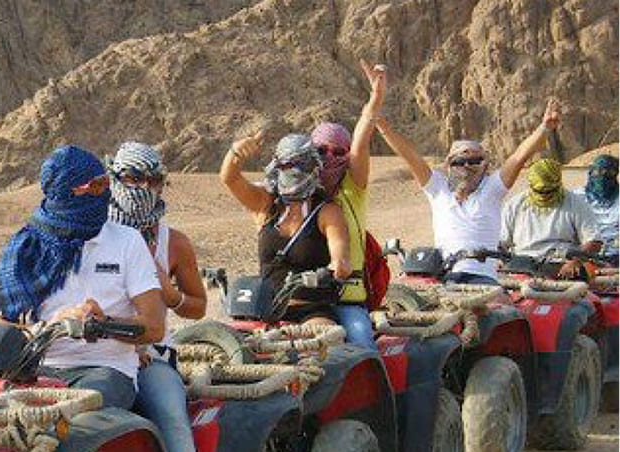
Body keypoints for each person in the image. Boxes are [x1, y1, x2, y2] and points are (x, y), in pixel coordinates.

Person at [106, 141, 232, 452]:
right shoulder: (94, 233)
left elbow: (197, 307)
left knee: (172, 416)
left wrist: (169, 292)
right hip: (99, 352)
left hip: (154, 355)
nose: (143, 187)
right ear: (114, 179)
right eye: (133, 178)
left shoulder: (172, 243)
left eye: (153, 180)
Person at [0, 144, 165, 409]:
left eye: (106, 183)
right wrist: (50, 326)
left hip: (106, 369)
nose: (105, 192)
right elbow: (3, 327)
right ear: (66, 194)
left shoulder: (127, 241)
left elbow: (154, 327)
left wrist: (103, 324)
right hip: (35, 370)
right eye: (96, 186)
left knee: (77, 415)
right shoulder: (25, 247)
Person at [374, 98, 562, 285]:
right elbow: (409, 156)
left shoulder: (492, 189)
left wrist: (544, 128)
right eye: (460, 162)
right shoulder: (438, 189)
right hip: (445, 277)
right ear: (449, 164)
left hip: (483, 279)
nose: (467, 167)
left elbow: (519, 157)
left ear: (484, 164)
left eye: (474, 162)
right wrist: (381, 124)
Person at [220, 132, 352, 325]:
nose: (293, 171)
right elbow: (230, 178)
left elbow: (340, 255)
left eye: (301, 164)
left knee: (323, 337)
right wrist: (236, 152)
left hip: (311, 310)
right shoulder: (266, 205)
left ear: (314, 166)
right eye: (286, 165)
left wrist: (338, 266)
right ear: (277, 166)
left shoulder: (327, 212)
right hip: (264, 309)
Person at [309, 59, 387, 348]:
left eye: (338, 152)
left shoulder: (352, 189)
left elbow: (361, 142)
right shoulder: (299, 193)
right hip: (306, 301)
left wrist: (375, 101)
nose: (329, 157)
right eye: (321, 150)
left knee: (362, 347)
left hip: (347, 299)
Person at [500, 157, 600, 278]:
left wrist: (576, 261)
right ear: (530, 185)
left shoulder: (576, 203)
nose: (544, 195)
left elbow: (594, 241)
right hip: (523, 263)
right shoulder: (514, 205)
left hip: (561, 263)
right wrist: (501, 261)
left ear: (558, 184)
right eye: (539, 191)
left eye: (549, 191)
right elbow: (502, 242)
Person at [574, 154, 618, 250]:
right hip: (584, 249)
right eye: (598, 171)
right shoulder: (576, 196)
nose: (602, 176)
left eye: (609, 172)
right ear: (591, 172)